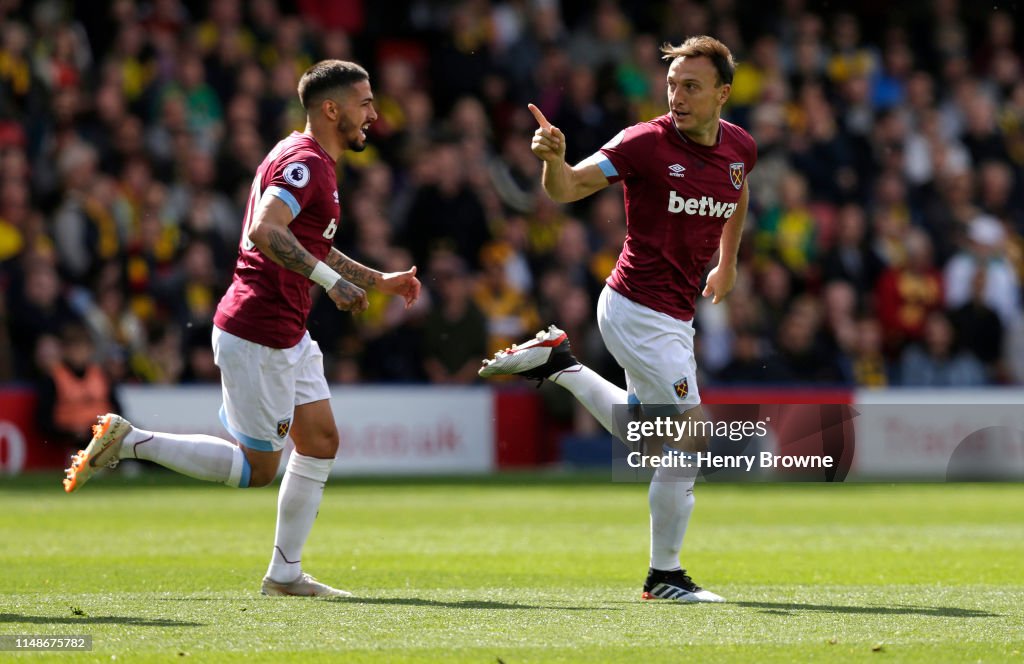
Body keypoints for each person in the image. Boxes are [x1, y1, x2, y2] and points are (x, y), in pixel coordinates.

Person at [63, 60, 421, 597]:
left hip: (286, 330)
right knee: (257, 470)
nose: (374, 113)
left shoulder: (302, 155)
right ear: (332, 108)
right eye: (365, 102)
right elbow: (265, 230)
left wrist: (378, 280)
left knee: (321, 442)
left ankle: (285, 575)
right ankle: (131, 442)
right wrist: (329, 281)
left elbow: (309, 240)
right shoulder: (307, 163)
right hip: (260, 331)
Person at [480, 36, 755, 603]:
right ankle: (665, 577)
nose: (676, 96)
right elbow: (569, 188)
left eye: (691, 87)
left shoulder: (740, 147)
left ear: (723, 93)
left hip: (673, 315)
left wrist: (727, 263)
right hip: (636, 309)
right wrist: (554, 160)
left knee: (648, 441)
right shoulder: (644, 143)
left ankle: (559, 364)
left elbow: (738, 189)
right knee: (694, 433)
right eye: (672, 84)